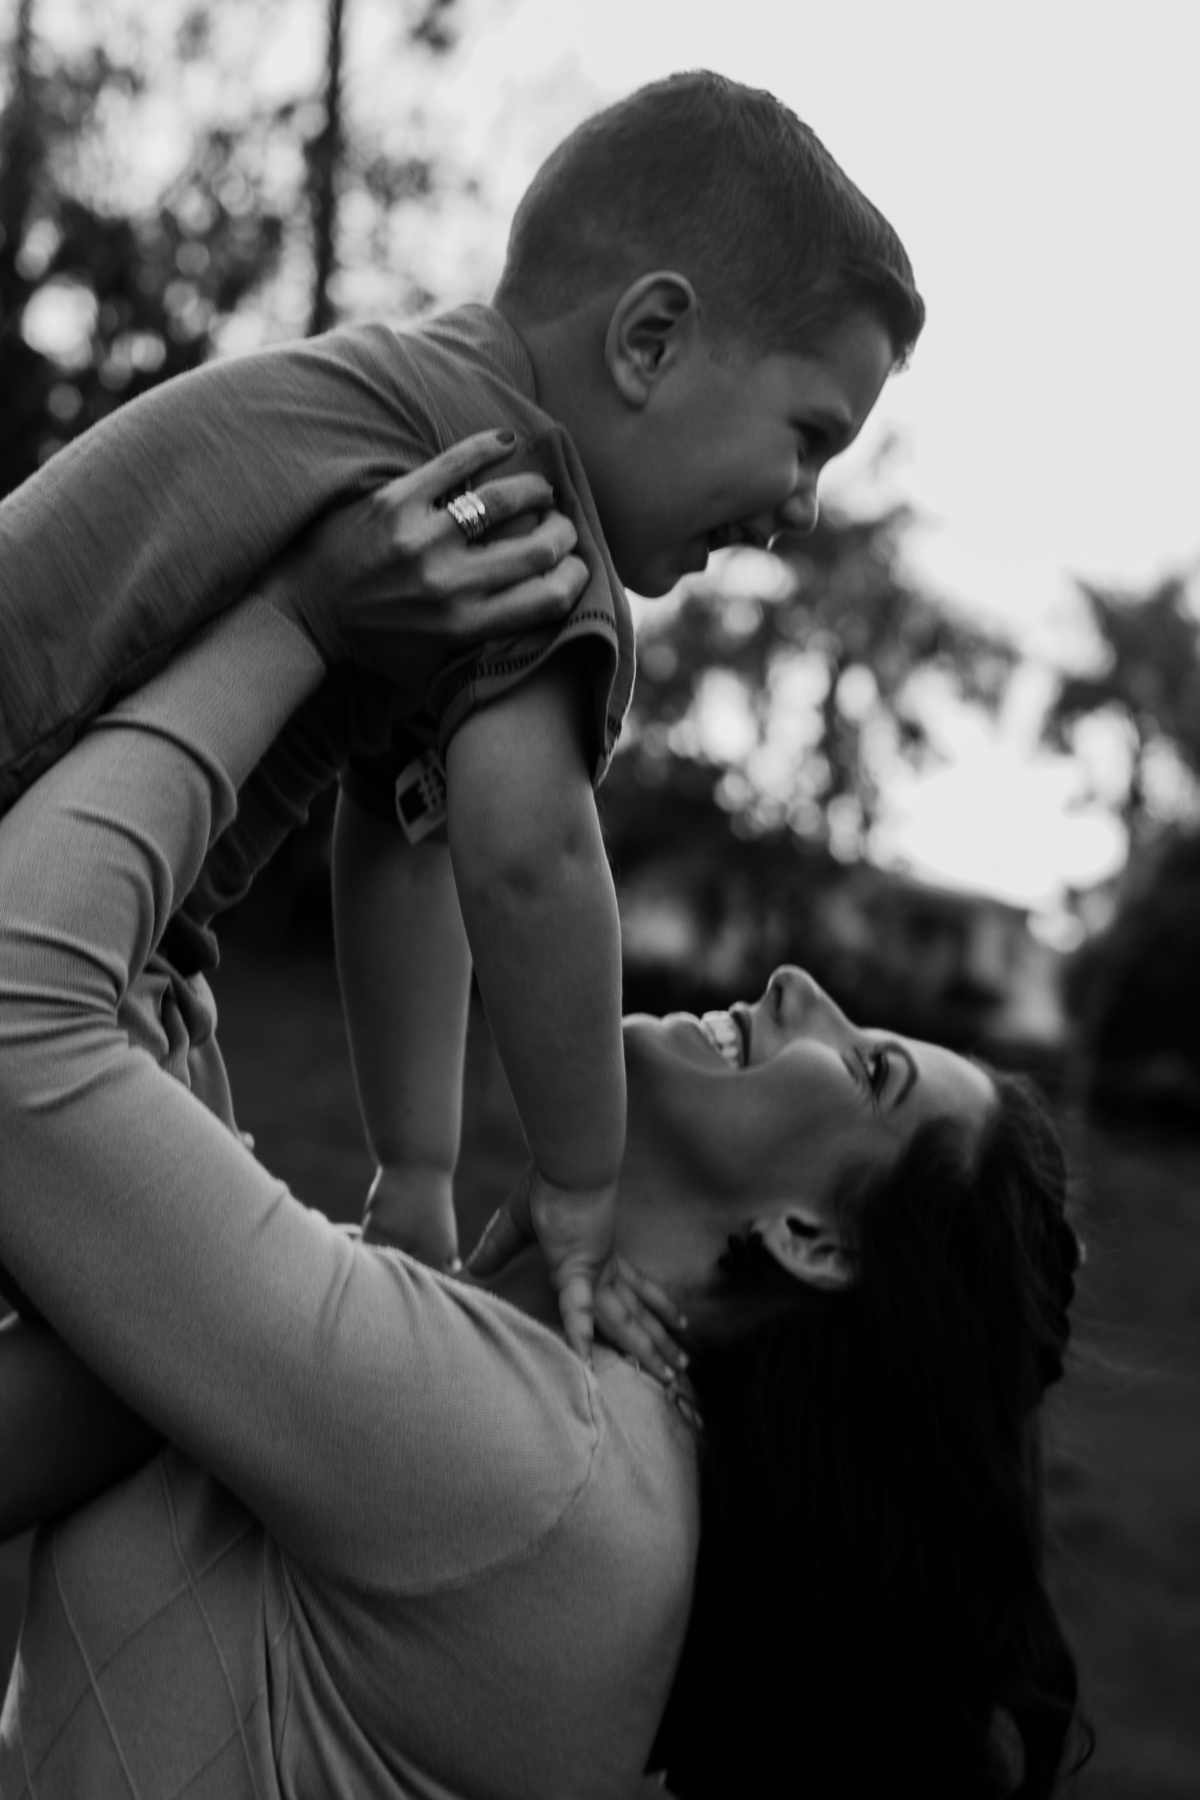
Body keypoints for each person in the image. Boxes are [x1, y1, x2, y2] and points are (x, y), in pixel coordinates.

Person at [0, 592, 1087, 1796]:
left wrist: (301, 616)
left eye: (868, 1070)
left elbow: (18, 1012)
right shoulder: (566, 1440)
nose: (796, 986)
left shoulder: (534, 1473)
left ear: (813, 1241)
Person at [0, 71, 925, 1352]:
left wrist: (417, 1166)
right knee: (172, 1342)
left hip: (69, 858)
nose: (807, 504)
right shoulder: (519, 502)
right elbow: (531, 856)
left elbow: (408, 837)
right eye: (810, 435)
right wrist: (583, 1181)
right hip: (45, 881)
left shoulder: (421, 406)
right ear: (651, 341)